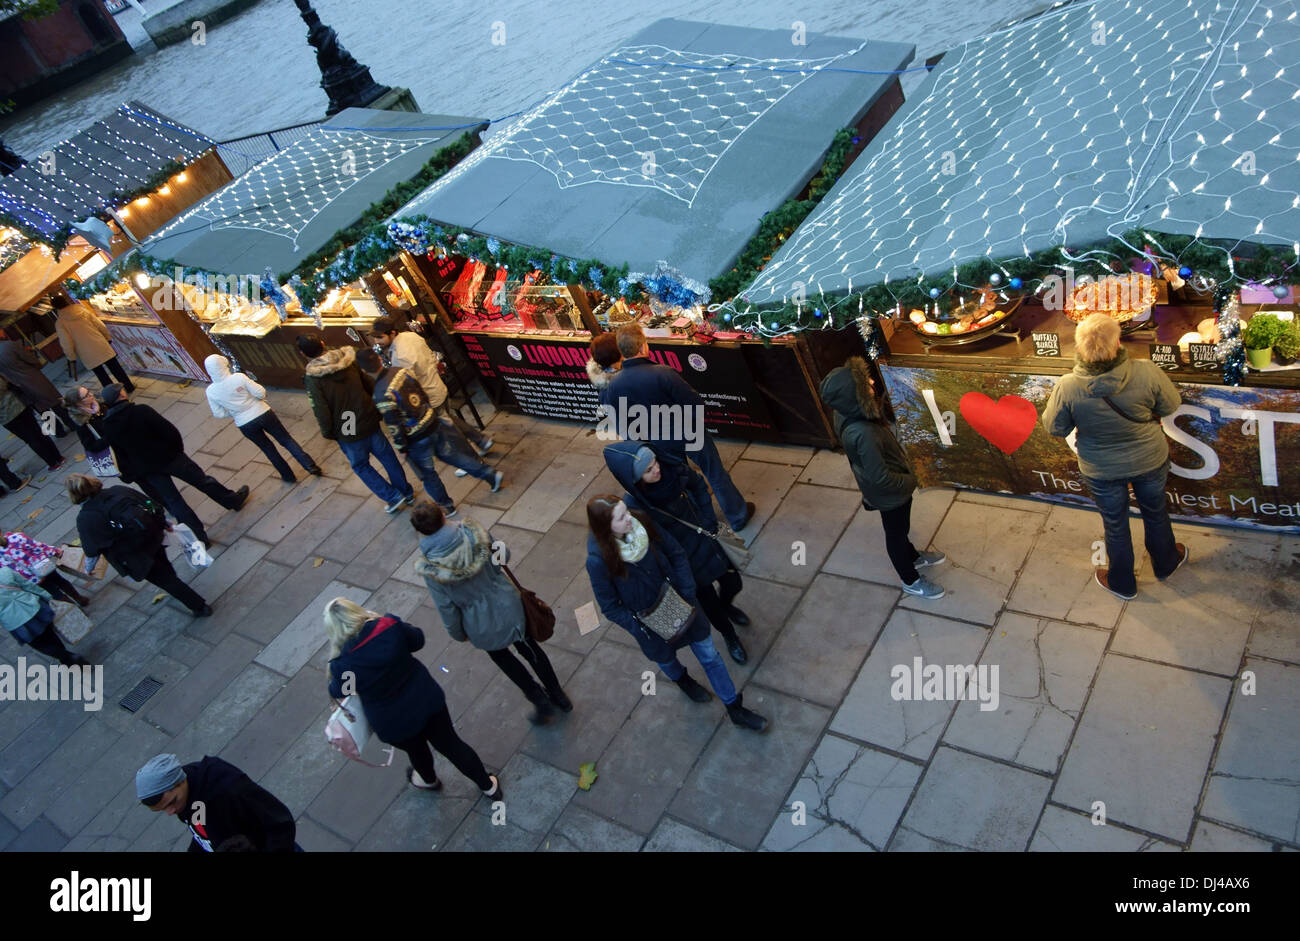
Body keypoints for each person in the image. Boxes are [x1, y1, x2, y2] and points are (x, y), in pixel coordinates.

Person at [585, 494, 767, 731]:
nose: (629, 518)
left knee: (710, 655)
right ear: (605, 528)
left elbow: (676, 553)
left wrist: (687, 592)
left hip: (683, 604)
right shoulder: (598, 561)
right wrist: (639, 625)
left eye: (626, 511)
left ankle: (735, 708)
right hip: (650, 625)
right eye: (621, 517)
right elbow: (609, 606)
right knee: (667, 659)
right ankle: (683, 680)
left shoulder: (643, 523)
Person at [1043, 313, 1188, 600]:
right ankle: (1166, 563)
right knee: (1155, 511)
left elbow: (1054, 428)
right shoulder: (1146, 371)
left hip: (1101, 469)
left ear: (1079, 347)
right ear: (1118, 341)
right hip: (1149, 459)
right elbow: (1171, 404)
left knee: (1115, 523)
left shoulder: (1068, 386)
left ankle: (1122, 583)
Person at [324, 597, 503, 798]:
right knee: (451, 744)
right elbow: (417, 639)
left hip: (393, 724)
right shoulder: (388, 627)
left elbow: (342, 690)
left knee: (416, 751)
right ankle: (488, 786)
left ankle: (428, 780)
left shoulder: (343, 665)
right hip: (426, 701)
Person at [412, 502, 570, 724]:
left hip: (479, 623)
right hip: (508, 604)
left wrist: (458, 633)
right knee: (529, 648)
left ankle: (538, 699)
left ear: (420, 531)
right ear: (442, 514)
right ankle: (558, 695)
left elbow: (446, 607)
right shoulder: (473, 532)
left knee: (503, 659)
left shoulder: (431, 569)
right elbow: (503, 556)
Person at [604, 440, 750, 663]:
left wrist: (708, 520)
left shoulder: (672, 469)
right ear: (635, 479)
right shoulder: (636, 504)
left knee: (733, 582)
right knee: (710, 604)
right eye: (648, 470)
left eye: (654, 462)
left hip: (706, 538)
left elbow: (698, 485)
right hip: (685, 556)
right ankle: (729, 635)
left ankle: (727, 604)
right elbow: (655, 539)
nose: (657, 469)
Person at [600, 323, 755, 531]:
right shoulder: (662, 373)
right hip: (688, 432)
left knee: (683, 479)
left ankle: (702, 521)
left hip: (656, 441)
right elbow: (694, 402)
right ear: (642, 347)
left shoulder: (613, 386)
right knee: (714, 472)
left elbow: (620, 420)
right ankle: (737, 516)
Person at [819, 356, 946, 600]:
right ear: (853, 397)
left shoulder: (847, 413)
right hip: (891, 494)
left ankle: (913, 557)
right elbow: (880, 478)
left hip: (889, 489)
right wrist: (911, 480)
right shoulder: (863, 432)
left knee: (900, 529)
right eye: (863, 383)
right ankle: (911, 580)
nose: (870, 381)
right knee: (896, 533)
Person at [98, 384, 248, 548]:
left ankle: (199, 539)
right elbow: (168, 430)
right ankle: (232, 500)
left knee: (175, 502)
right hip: (171, 458)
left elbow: (120, 454)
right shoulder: (141, 411)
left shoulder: (108, 427)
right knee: (203, 481)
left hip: (149, 469)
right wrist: (177, 449)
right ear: (121, 394)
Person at [356, 347, 502, 514]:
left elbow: (394, 425)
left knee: (428, 475)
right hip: (432, 423)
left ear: (364, 370)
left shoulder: (381, 395)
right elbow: (421, 392)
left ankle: (446, 506)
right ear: (380, 360)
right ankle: (489, 474)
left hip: (416, 440)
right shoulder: (401, 371)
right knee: (454, 456)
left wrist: (401, 447)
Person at [67, 474, 212, 617]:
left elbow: (92, 550)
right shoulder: (118, 490)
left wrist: (88, 569)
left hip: (134, 557)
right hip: (153, 537)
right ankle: (175, 582)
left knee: (166, 581)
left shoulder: (85, 518)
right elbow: (149, 504)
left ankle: (199, 606)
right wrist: (165, 523)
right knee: (164, 568)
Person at [298, 334, 413, 514]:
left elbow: (321, 409)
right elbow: (368, 383)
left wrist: (328, 432)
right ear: (322, 343)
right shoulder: (348, 361)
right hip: (367, 415)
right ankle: (406, 491)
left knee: (360, 464)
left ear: (303, 354)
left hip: (347, 424)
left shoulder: (313, 379)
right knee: (387, 456)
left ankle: (392, 496)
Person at [369, 315, 493, 456]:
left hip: (429, 396)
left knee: (449, 431)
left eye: (379, 337)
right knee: (449, 420)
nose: (376, 341)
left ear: (392, 333)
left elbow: (410, 385)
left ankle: (472, 459)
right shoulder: (410, 336)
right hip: (437, 385)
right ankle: (481, 440)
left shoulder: (400, 356)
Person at [136, 753, 298, 852]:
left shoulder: (228, 787)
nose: (170, 812)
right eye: (162, 809)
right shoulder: (187, 799)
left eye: (171, 803)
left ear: (179, 782)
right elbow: (203, 832)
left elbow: (280, 823)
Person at [204, 354, 321, 483]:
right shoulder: (239, 378)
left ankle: (288, 476)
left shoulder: (211, 391)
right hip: (263, 413)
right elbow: (260, 392)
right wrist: (255, 402)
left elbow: (219, 413)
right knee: (286, 440)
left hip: (244, 424)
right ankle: (310, 465)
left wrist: (235, 412)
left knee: (268, 449)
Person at [0, 564, 89, 667]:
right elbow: (29, 586)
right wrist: (48, 597)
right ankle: (66, 658)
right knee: (49, 633)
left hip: (15, 622)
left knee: (40, 644)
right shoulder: (5, 572)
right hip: (35, 607)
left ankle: (67, 656)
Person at [49, 293, 135, 392]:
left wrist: (71, 357)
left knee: (101, 375)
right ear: (66, 301)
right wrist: (107, 337)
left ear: (55, 307)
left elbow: (66, 343)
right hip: (99, 343)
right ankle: (129, 387)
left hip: (86, 352)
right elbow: (99, 324)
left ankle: (114, 395)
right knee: (116, 368)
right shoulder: (82, 310)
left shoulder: (60, 323)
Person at [0, 329, 73, 436]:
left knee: (41, 409)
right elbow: (30, 359)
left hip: (18, 385)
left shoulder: (9, 346)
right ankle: (71, 423)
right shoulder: (11, 345)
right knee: (55, 402)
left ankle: (58, 431)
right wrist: (36, 364)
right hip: (33, 378)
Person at [1, 529, 91, 607]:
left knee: (55, 594)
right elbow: (38, 547)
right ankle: (79, 599)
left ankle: (74, 609)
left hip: (31, 579)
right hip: (43, 566)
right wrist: (55, 552)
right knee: (61, 582)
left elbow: (9, 572)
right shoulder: (16, 537)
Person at [0, 375, 63, 470]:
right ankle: (58, 457)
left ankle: (52, 463)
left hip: (6, 417)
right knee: (37, 431)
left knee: (31, 439)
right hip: (18, 405)